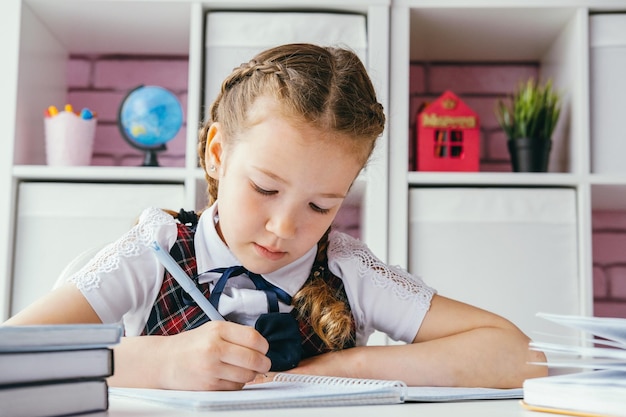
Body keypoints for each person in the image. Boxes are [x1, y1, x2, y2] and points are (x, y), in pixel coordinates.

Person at [4, 43, 546, 391]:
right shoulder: (157, 249)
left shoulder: (347, 270)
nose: (286, 228)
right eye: (265, 188)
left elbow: (520, 357)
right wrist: (159, 364)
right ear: (217, 153)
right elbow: (12, 356)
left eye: (320, 205)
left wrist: (343, 368)